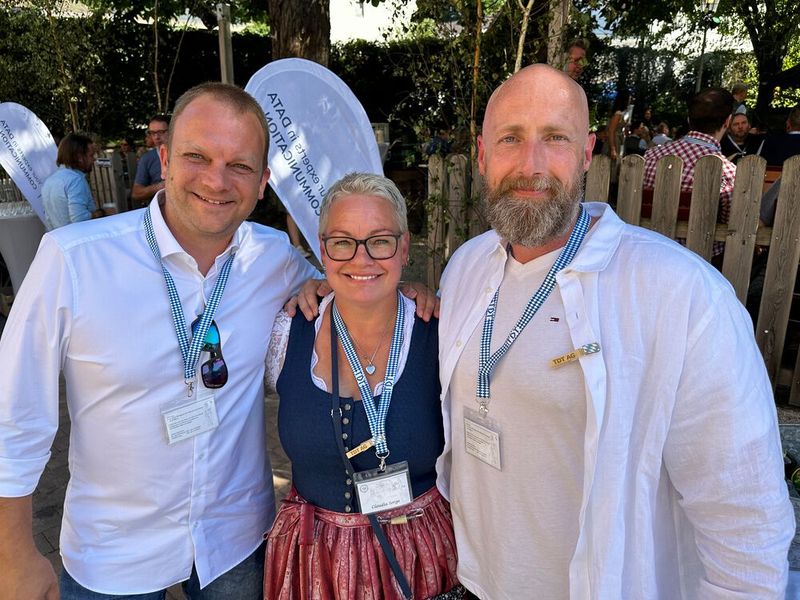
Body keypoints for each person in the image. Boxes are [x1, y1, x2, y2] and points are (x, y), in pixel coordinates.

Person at [435, 64, 793, 598]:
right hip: (478, 583)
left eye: (555, 138)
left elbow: (744, 520)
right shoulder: (466, 265)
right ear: (483, 155)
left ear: (586, 154)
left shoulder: (681, 293)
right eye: (510, 138)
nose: (531, 164)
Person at [0, 83, 321, 599]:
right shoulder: (74, 259)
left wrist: (405, 293)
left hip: (234, 538)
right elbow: (13, 414)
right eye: (197, 156)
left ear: (263, 182)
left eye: (239, 165)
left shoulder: (275, 258)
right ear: (165, 158)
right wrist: (13, 554)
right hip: (114, 550)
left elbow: (347, 297)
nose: (216, 180)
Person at [263, 173, 462, 600]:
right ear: (323, 250)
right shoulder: (286, 330)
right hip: (312, 560)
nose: (361, 258)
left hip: (416, 557)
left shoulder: (444, 333)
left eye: (380, 241)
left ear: (404, 248)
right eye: (343, 242)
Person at [643, 88, 737, 258]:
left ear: (689, 119)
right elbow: (731, 224)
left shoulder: (650, 156)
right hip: (699, 259)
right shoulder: (727, 173)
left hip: (647, 250)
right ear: (728, 121)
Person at [41, 132, 104, 230]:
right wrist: (102, 213)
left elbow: (48, 220)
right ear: (79, 158)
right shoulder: (75, 180)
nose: (94, 159)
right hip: (78, 237)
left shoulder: (49, 181)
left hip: (59, 237)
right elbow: (79, 218)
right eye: (91, 155)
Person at [130, 114, 169, 207]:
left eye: (161, 132)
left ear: (171, 130)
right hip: (159, 210)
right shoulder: (147, 159)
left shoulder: (185, 153)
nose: (156, 137)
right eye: (152, 133)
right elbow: (136, 193)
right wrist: (161, 186)